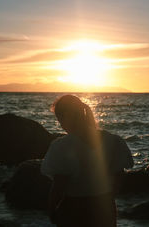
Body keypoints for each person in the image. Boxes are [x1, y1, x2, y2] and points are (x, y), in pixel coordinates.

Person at [41, 95, 134, 227]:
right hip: (105, 208)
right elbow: (119, 176)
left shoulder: (62, 146)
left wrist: (51, 210)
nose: (60, 125)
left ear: (64, 117)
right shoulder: (113, 141)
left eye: (59, 119)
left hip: (73, 209)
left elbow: (59, 185)